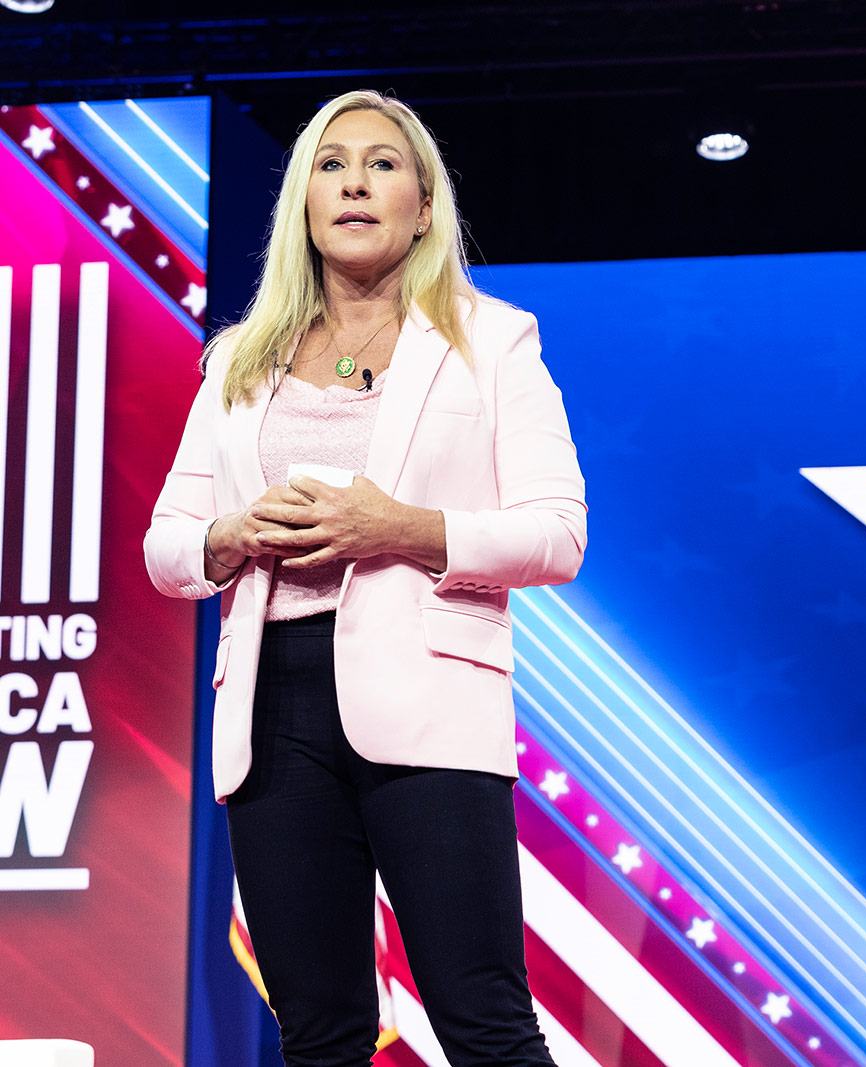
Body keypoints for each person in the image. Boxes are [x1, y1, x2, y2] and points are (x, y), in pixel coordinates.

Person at [144, 89, 584, 1067]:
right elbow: (167, 547)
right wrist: (229, 533)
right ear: (304, 200)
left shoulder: (491, 343)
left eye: (384, 164)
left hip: (426, 697)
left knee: (486, 1022)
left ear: (424, 206)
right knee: (320, 1032)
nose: (354, 179)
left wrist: (398, 527)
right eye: (332, 163)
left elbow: (557, 534)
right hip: (271, 710)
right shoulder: (235, 363)